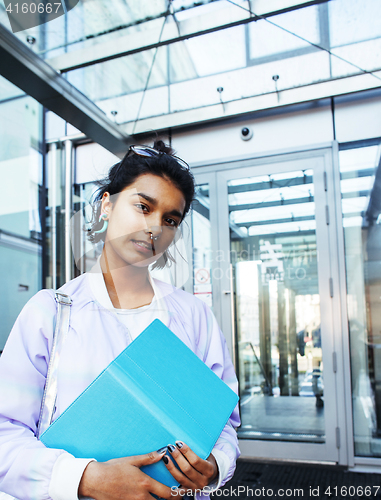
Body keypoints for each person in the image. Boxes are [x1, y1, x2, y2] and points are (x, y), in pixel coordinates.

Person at [0, 141, 240, 500]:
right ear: (107, 205)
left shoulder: (194, 316)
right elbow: (5, 432)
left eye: (170, 220)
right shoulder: (49, 312)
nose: (156, 227)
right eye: (143, 206)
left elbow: (223, 421)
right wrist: (86, 478)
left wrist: (216, 465)